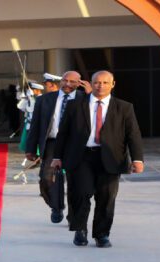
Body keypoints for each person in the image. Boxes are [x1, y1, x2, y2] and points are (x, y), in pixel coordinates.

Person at [51, 70, 144, 248]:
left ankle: (102, 234)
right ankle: (80, 229)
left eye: (105, 83)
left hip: (111, 158)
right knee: (80, 193)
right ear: (90, 84)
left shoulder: (124, 107)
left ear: (112, 85)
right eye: (96, 82)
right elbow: (63, 133)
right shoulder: (75, 105)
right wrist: (57, 156)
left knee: (106, 197)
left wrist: (137, 159)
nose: (100, 86)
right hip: (81, 157)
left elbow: (133, 134)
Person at [25, 71, 89, 223]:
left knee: (76, 181)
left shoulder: (85, 98)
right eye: (65, 80)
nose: (68, 84)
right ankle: (56, 206)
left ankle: (74, 215)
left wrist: (89, 94)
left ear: (79, 83)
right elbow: (35, 125)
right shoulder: (44, 99)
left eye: (72, 81)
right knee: (47, 179)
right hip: (53, 143)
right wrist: (31, 148)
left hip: (76, 145)